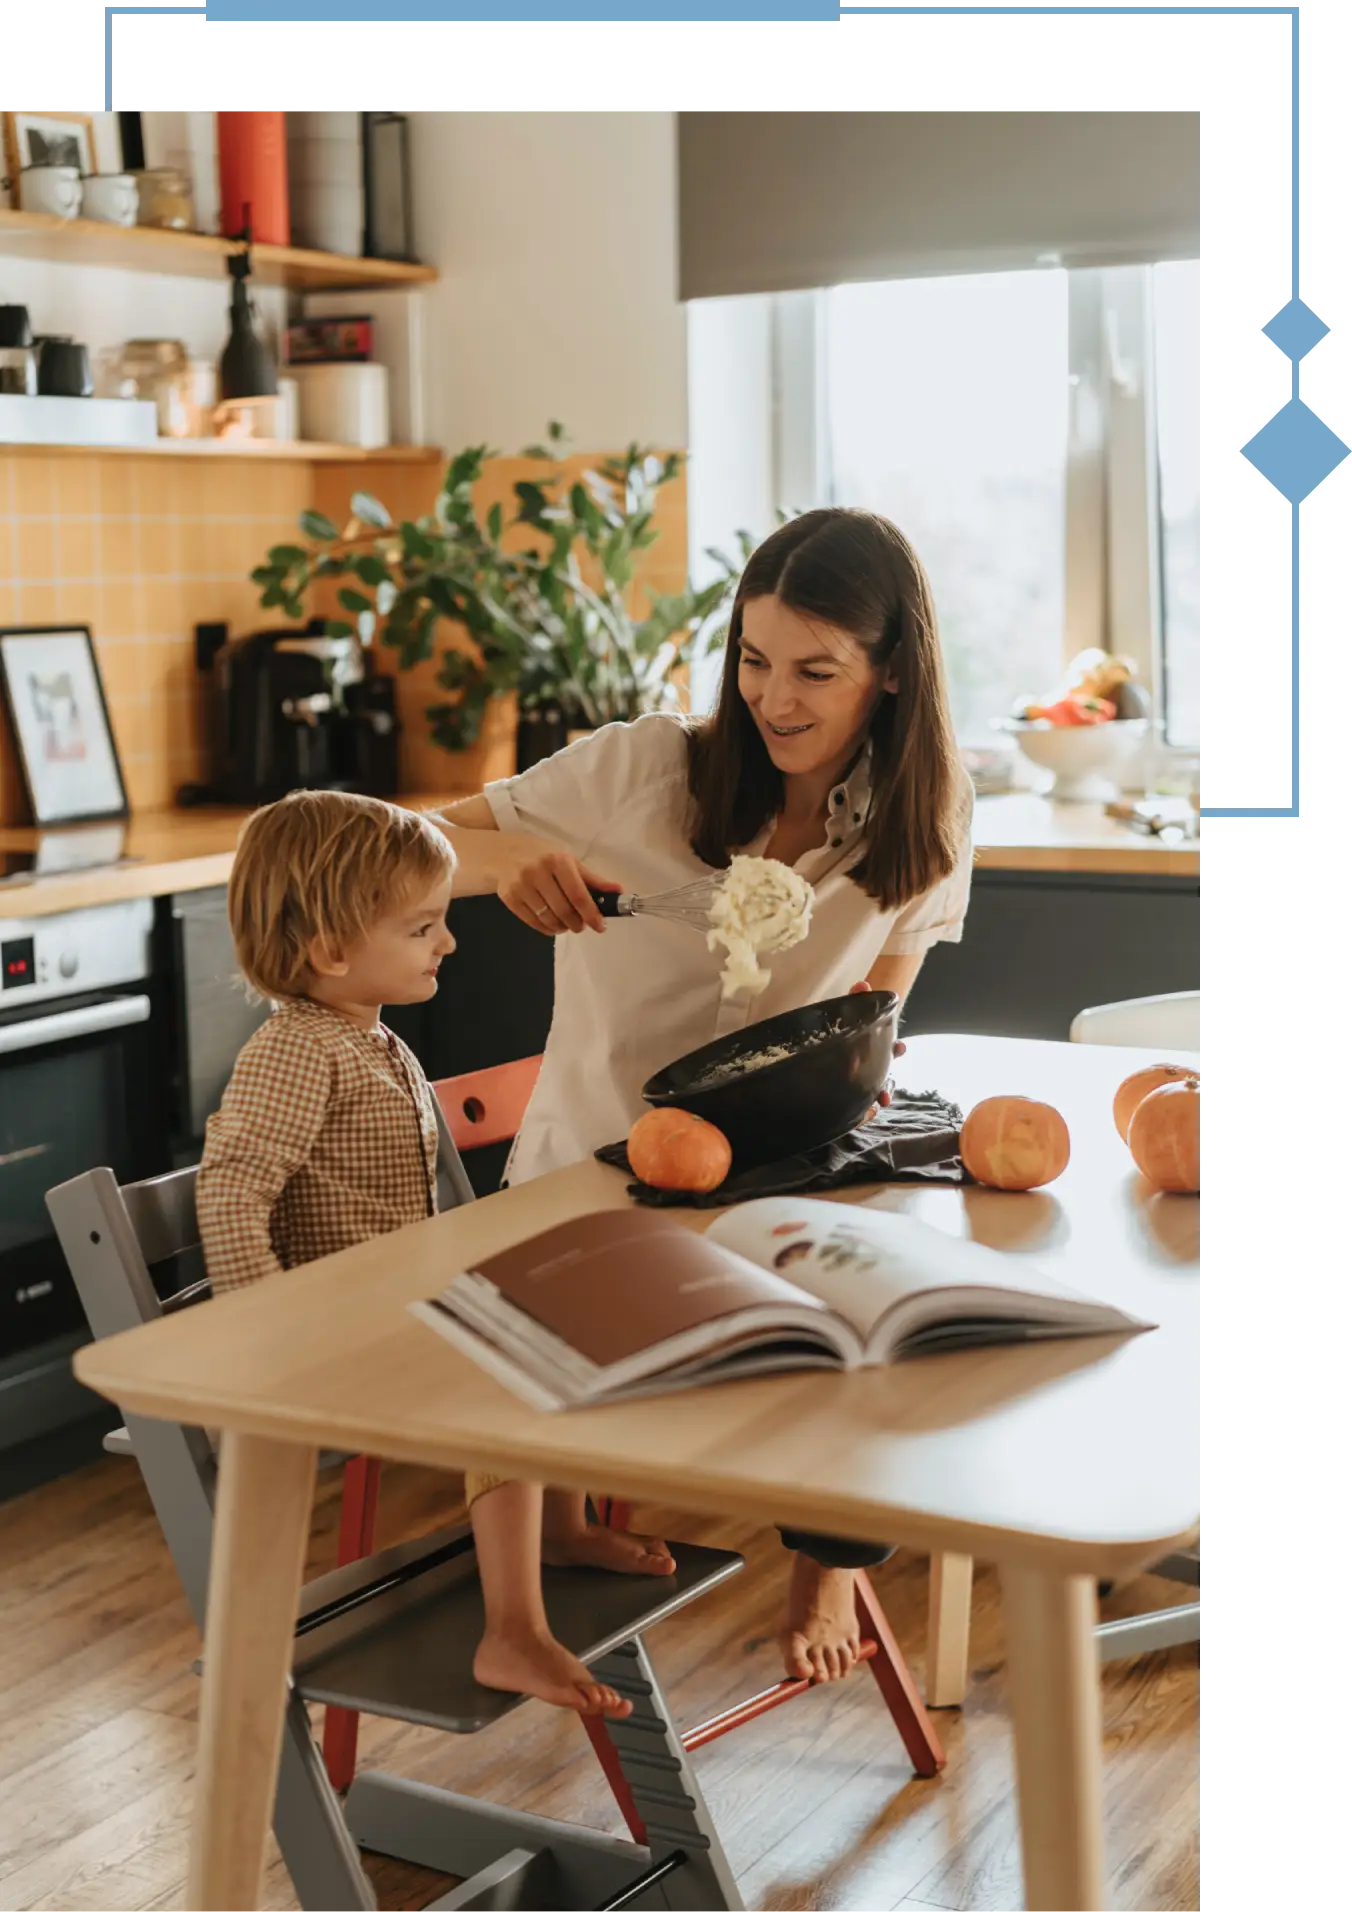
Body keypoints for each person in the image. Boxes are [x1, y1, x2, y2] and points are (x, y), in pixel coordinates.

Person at [431, 507, 975, 1683]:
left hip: (767, 1182)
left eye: (815, 671)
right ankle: (521, 1596)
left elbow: (870, 1021)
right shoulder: (635, 770)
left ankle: (827, 1563)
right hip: (588, 1174)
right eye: (753, 659)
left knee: (901, 1318)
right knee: (517, 1310)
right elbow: (398, 845)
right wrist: (501, 859)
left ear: (889, 674)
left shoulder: (926, 818)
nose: (774, 699)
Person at [195, 789, 675, 1721]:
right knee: (502, 1370)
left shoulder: (367, 1038)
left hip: (395, 1301)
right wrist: (262, 1330)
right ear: (331, 950)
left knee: (561, 1315)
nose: (447, 943)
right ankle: (513, 1629)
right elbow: (230, 1187)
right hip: (340, 1329)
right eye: (422, 928)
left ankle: (563, 1527)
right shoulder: (297, 1053)